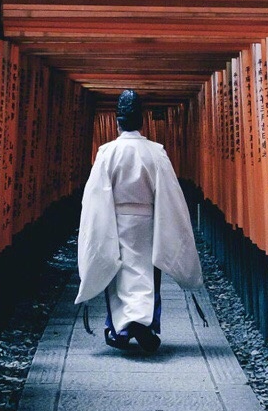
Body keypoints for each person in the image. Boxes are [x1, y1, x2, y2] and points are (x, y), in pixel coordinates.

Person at [75, 89, 203, 353]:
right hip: (148, 222)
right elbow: (169, 191)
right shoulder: (155, 152)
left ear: (118, 121)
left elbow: (96, 194)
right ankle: (146, 324)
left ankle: (120, 328)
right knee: (147, 273)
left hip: (116, 221)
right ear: (142, 121)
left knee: (117, 272)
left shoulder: (106, 152)